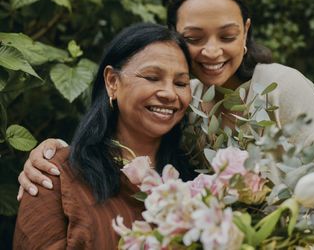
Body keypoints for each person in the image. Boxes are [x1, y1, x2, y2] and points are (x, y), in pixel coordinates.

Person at [17, 0, 314, 200]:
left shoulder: (283, 88)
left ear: (246, 31)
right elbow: (126, 150)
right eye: (194, 38)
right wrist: (54, 152)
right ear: (173, 34)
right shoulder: (179, 101)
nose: (212, 52)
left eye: (227, 36)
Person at [14, 23, 195, 249]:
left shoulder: (195, 181)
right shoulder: (55, 175)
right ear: (112, 82)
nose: (169, 93)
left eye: (181, 83)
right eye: (151, 77)